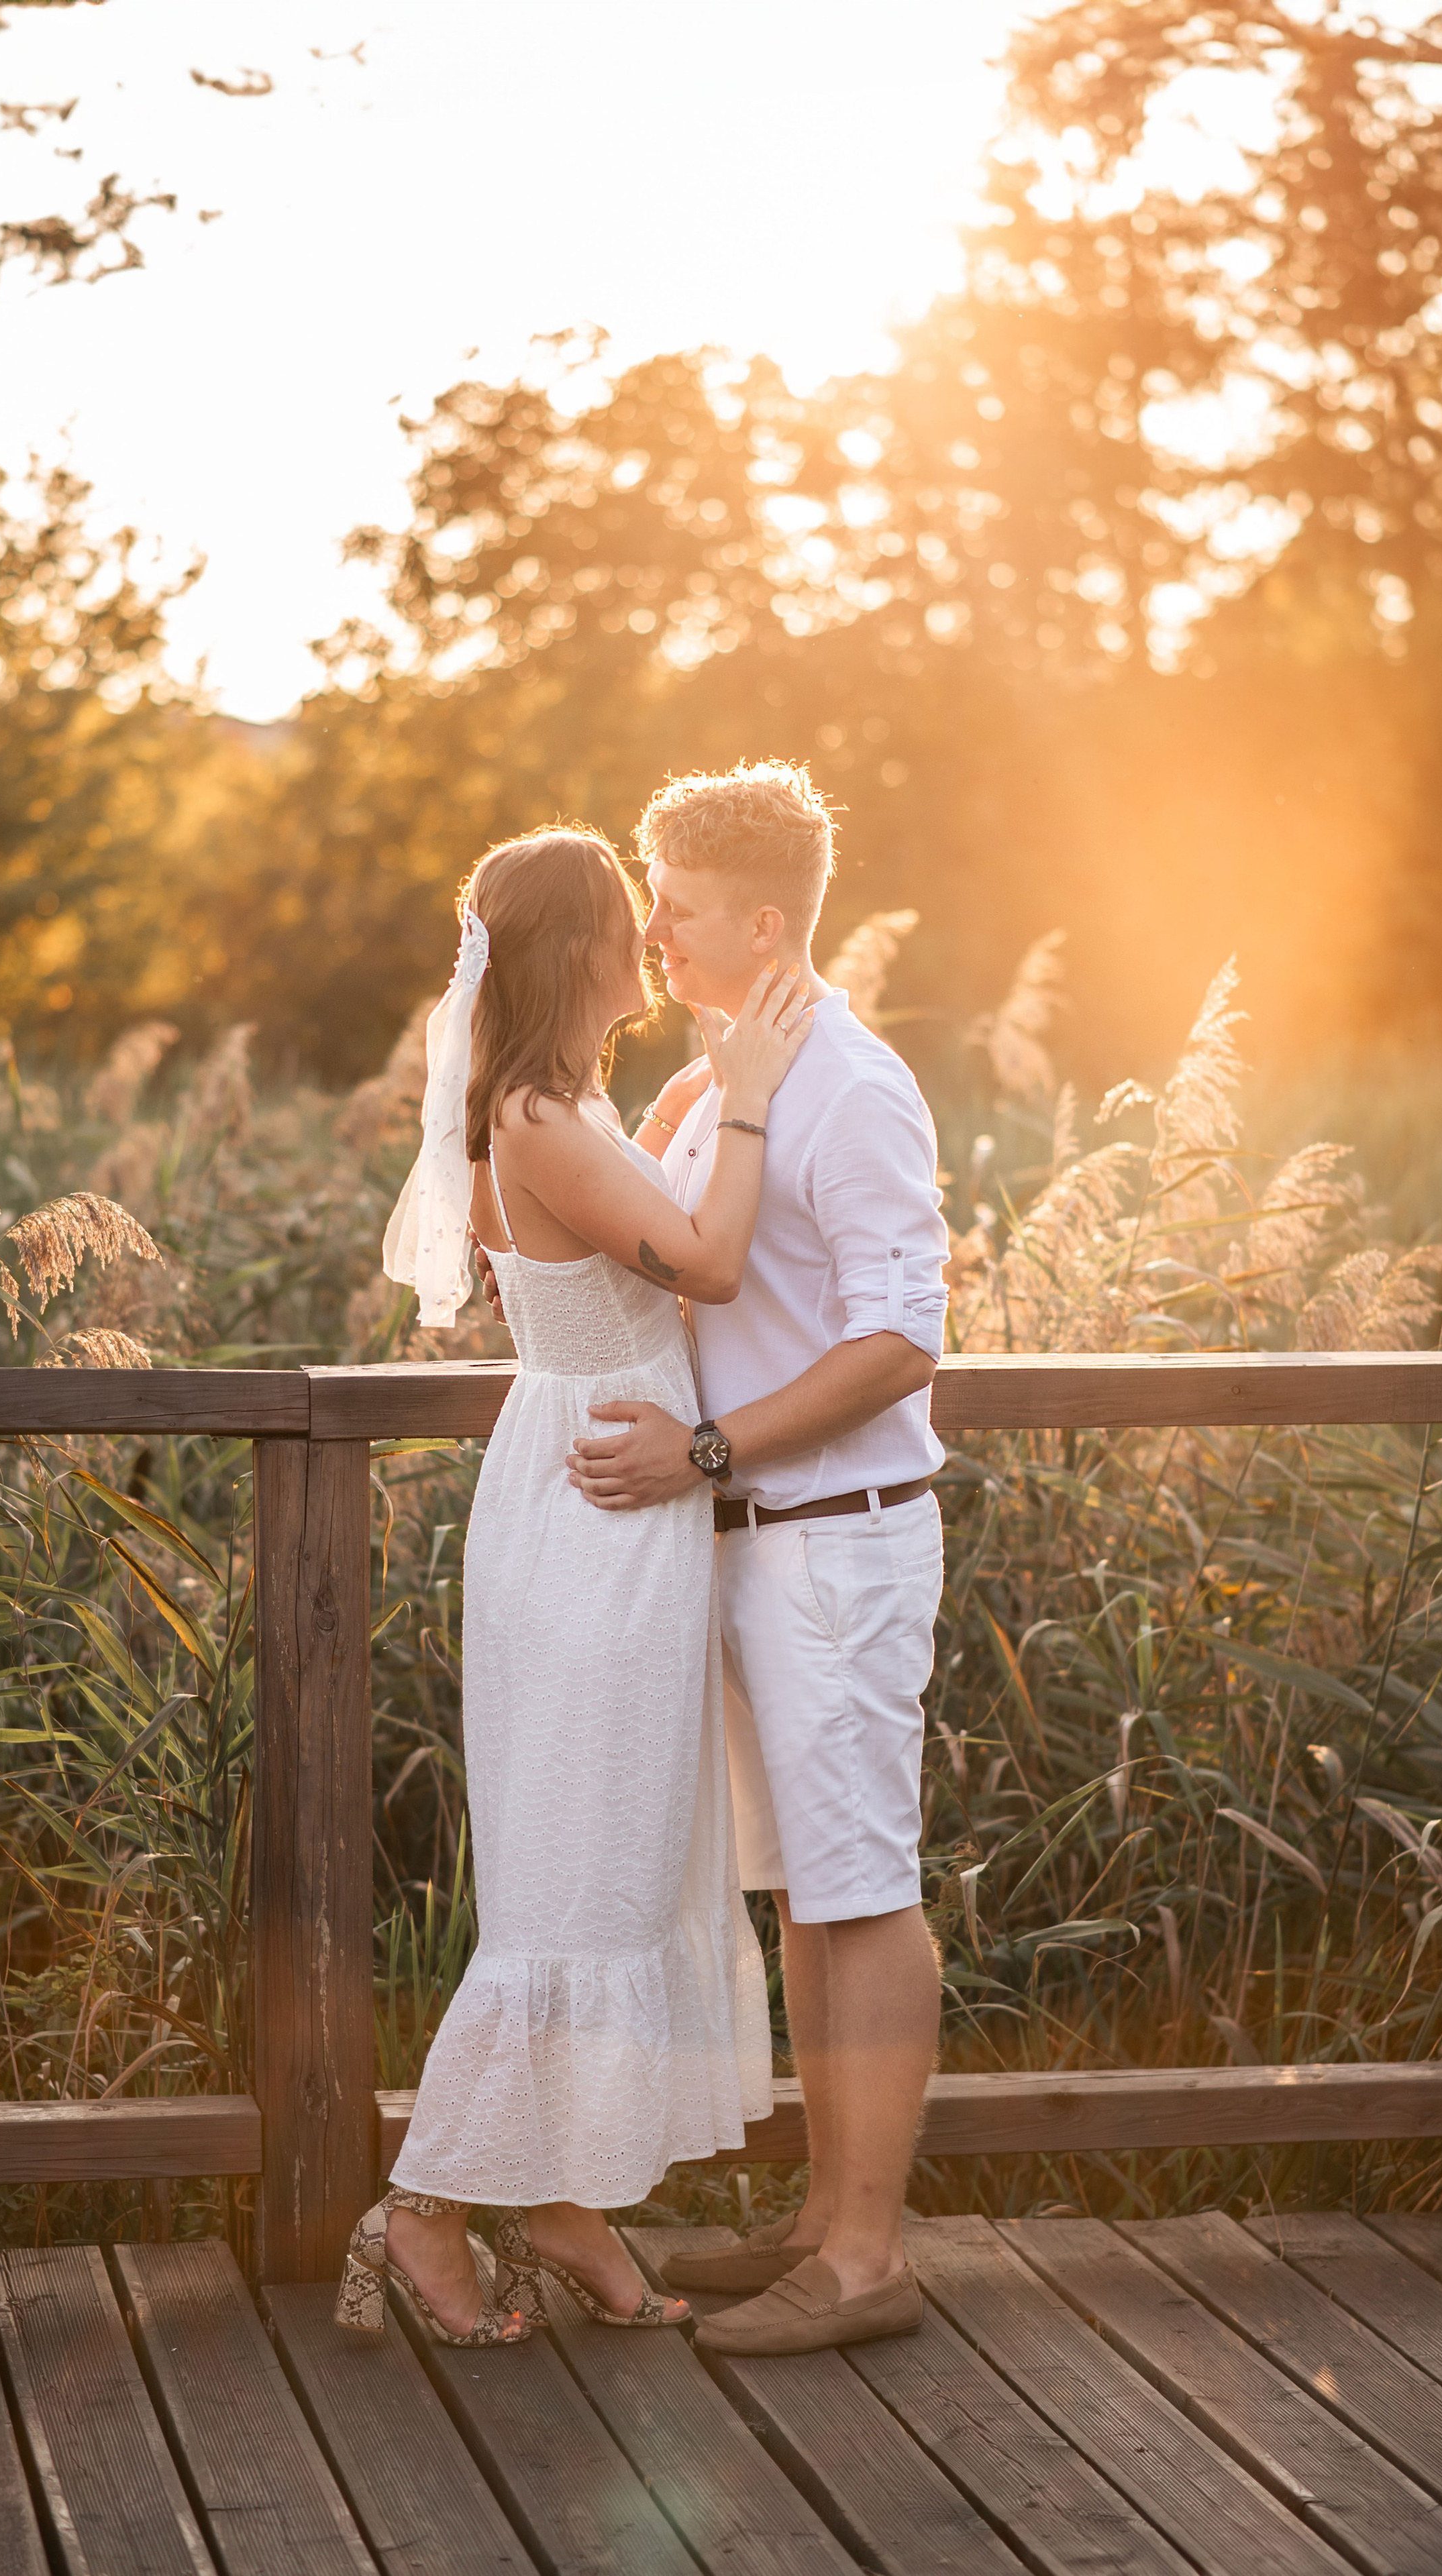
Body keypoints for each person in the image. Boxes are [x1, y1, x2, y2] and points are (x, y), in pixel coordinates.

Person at [336, 824, 811, 2348]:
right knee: (575, 1888)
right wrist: (738, 1107)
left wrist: (680, 1096)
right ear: (572, 953)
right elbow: (708, 1263)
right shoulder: (536, 1116)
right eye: (631, 919)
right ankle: (422, 2213)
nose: (652, 940)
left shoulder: (566, 1105)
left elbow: (621, 1203)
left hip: (615, 1502)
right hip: (596, 1516)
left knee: (612, 1866)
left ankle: (562, 2208)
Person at [565, 760, 950, 2359]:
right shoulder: (741, 1071)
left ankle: (865, 2263)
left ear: (767, 919)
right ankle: (813, 2223)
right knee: (808, 1891)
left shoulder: (851, 1086)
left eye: (680, 907)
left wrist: (708, 1453)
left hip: (835, 1548)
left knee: (862, 1894)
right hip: (751, 1547)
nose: (654, 930)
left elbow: (898, 1345)